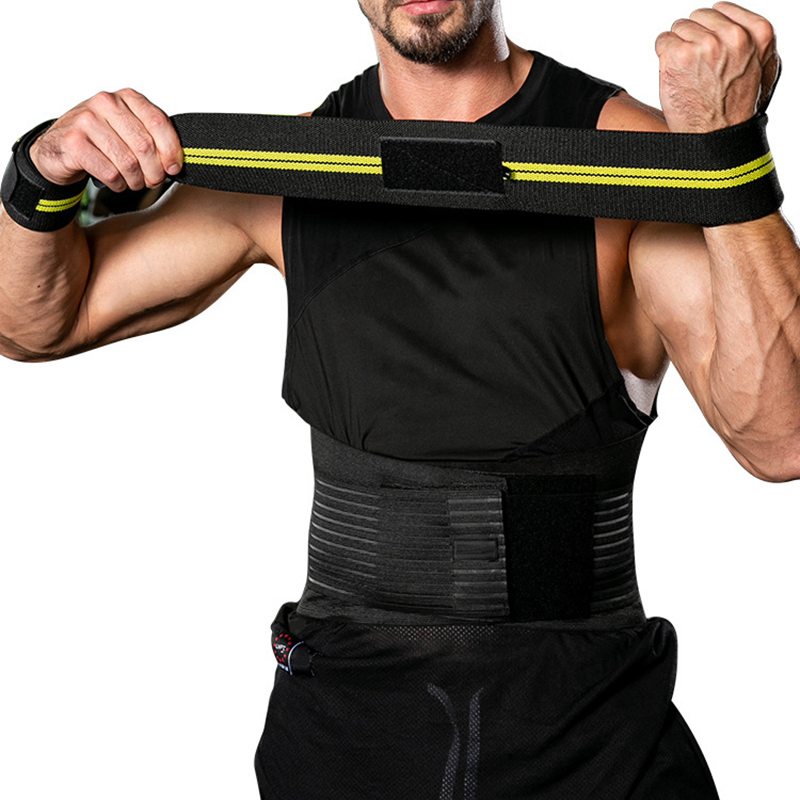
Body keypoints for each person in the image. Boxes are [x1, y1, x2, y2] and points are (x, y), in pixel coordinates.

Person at [1, 1, 798, 798]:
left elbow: (782, 438)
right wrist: (40, 175)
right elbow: (36, 324)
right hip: (347, 739)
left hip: (589, 748)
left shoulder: (626, 162)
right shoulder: (294, 166)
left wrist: (723, 157)